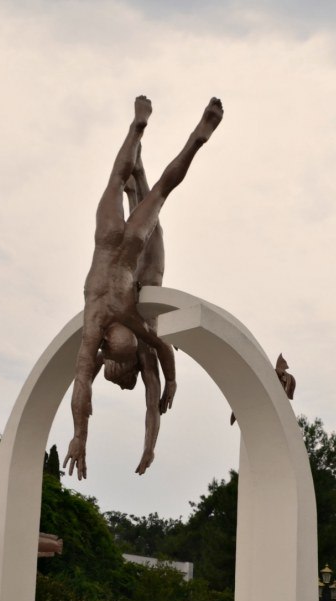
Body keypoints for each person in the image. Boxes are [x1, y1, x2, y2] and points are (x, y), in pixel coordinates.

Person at [65, 95, 224, 480]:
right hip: (126, 247)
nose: (119, 356)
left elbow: (83, 386)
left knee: (123, 182)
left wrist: (79, 437)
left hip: (108, 243)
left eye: (119, 362)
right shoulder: (127, 320)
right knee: (155, 193)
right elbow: (158, 361)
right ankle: (195, 139)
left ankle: (138, 128)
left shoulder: (98, 325)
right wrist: (169, 385)